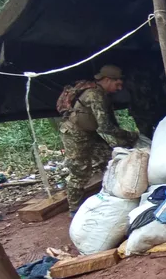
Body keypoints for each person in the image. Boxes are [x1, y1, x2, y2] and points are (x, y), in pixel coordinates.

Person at [58, 65, 139, 215]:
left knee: (109, 160)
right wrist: (129, 136)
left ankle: (113, 194)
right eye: (117, 84)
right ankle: (74, 209)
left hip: (89, 132)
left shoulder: (101, 93)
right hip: (74, 134)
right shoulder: (95, 95)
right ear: (107, 80)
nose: (119, 88)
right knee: (79, 170)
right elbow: (105, 127)